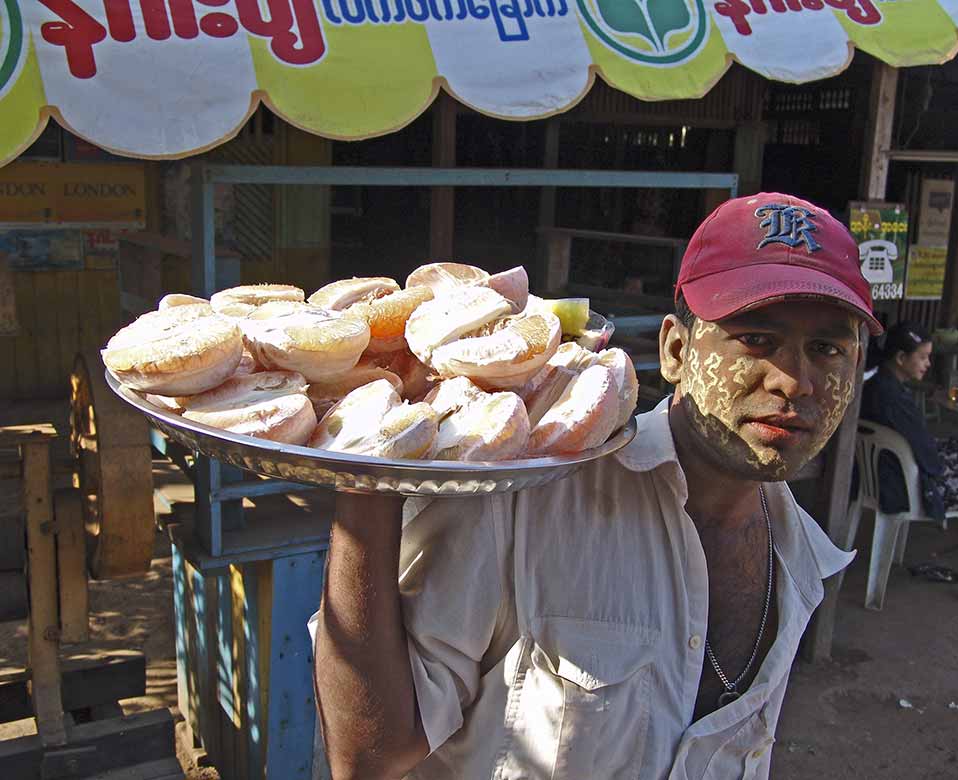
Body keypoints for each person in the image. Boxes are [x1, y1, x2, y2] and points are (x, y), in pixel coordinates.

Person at [311, 193, 883, 780]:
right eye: (756, 339)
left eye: (827, 349)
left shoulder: (799, 558)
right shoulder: (526, 495)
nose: (794, 381)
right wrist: (365, 484)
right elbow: (368, 757)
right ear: (676, 351)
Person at [860, 320, 958, 522]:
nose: (928, 364)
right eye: (922, 357)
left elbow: (921, 444)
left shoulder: (876, 383)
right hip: (904, 486)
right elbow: (927, 457)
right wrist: (949, 472)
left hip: (882, 469)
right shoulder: (893, 400)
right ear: (901, 358)